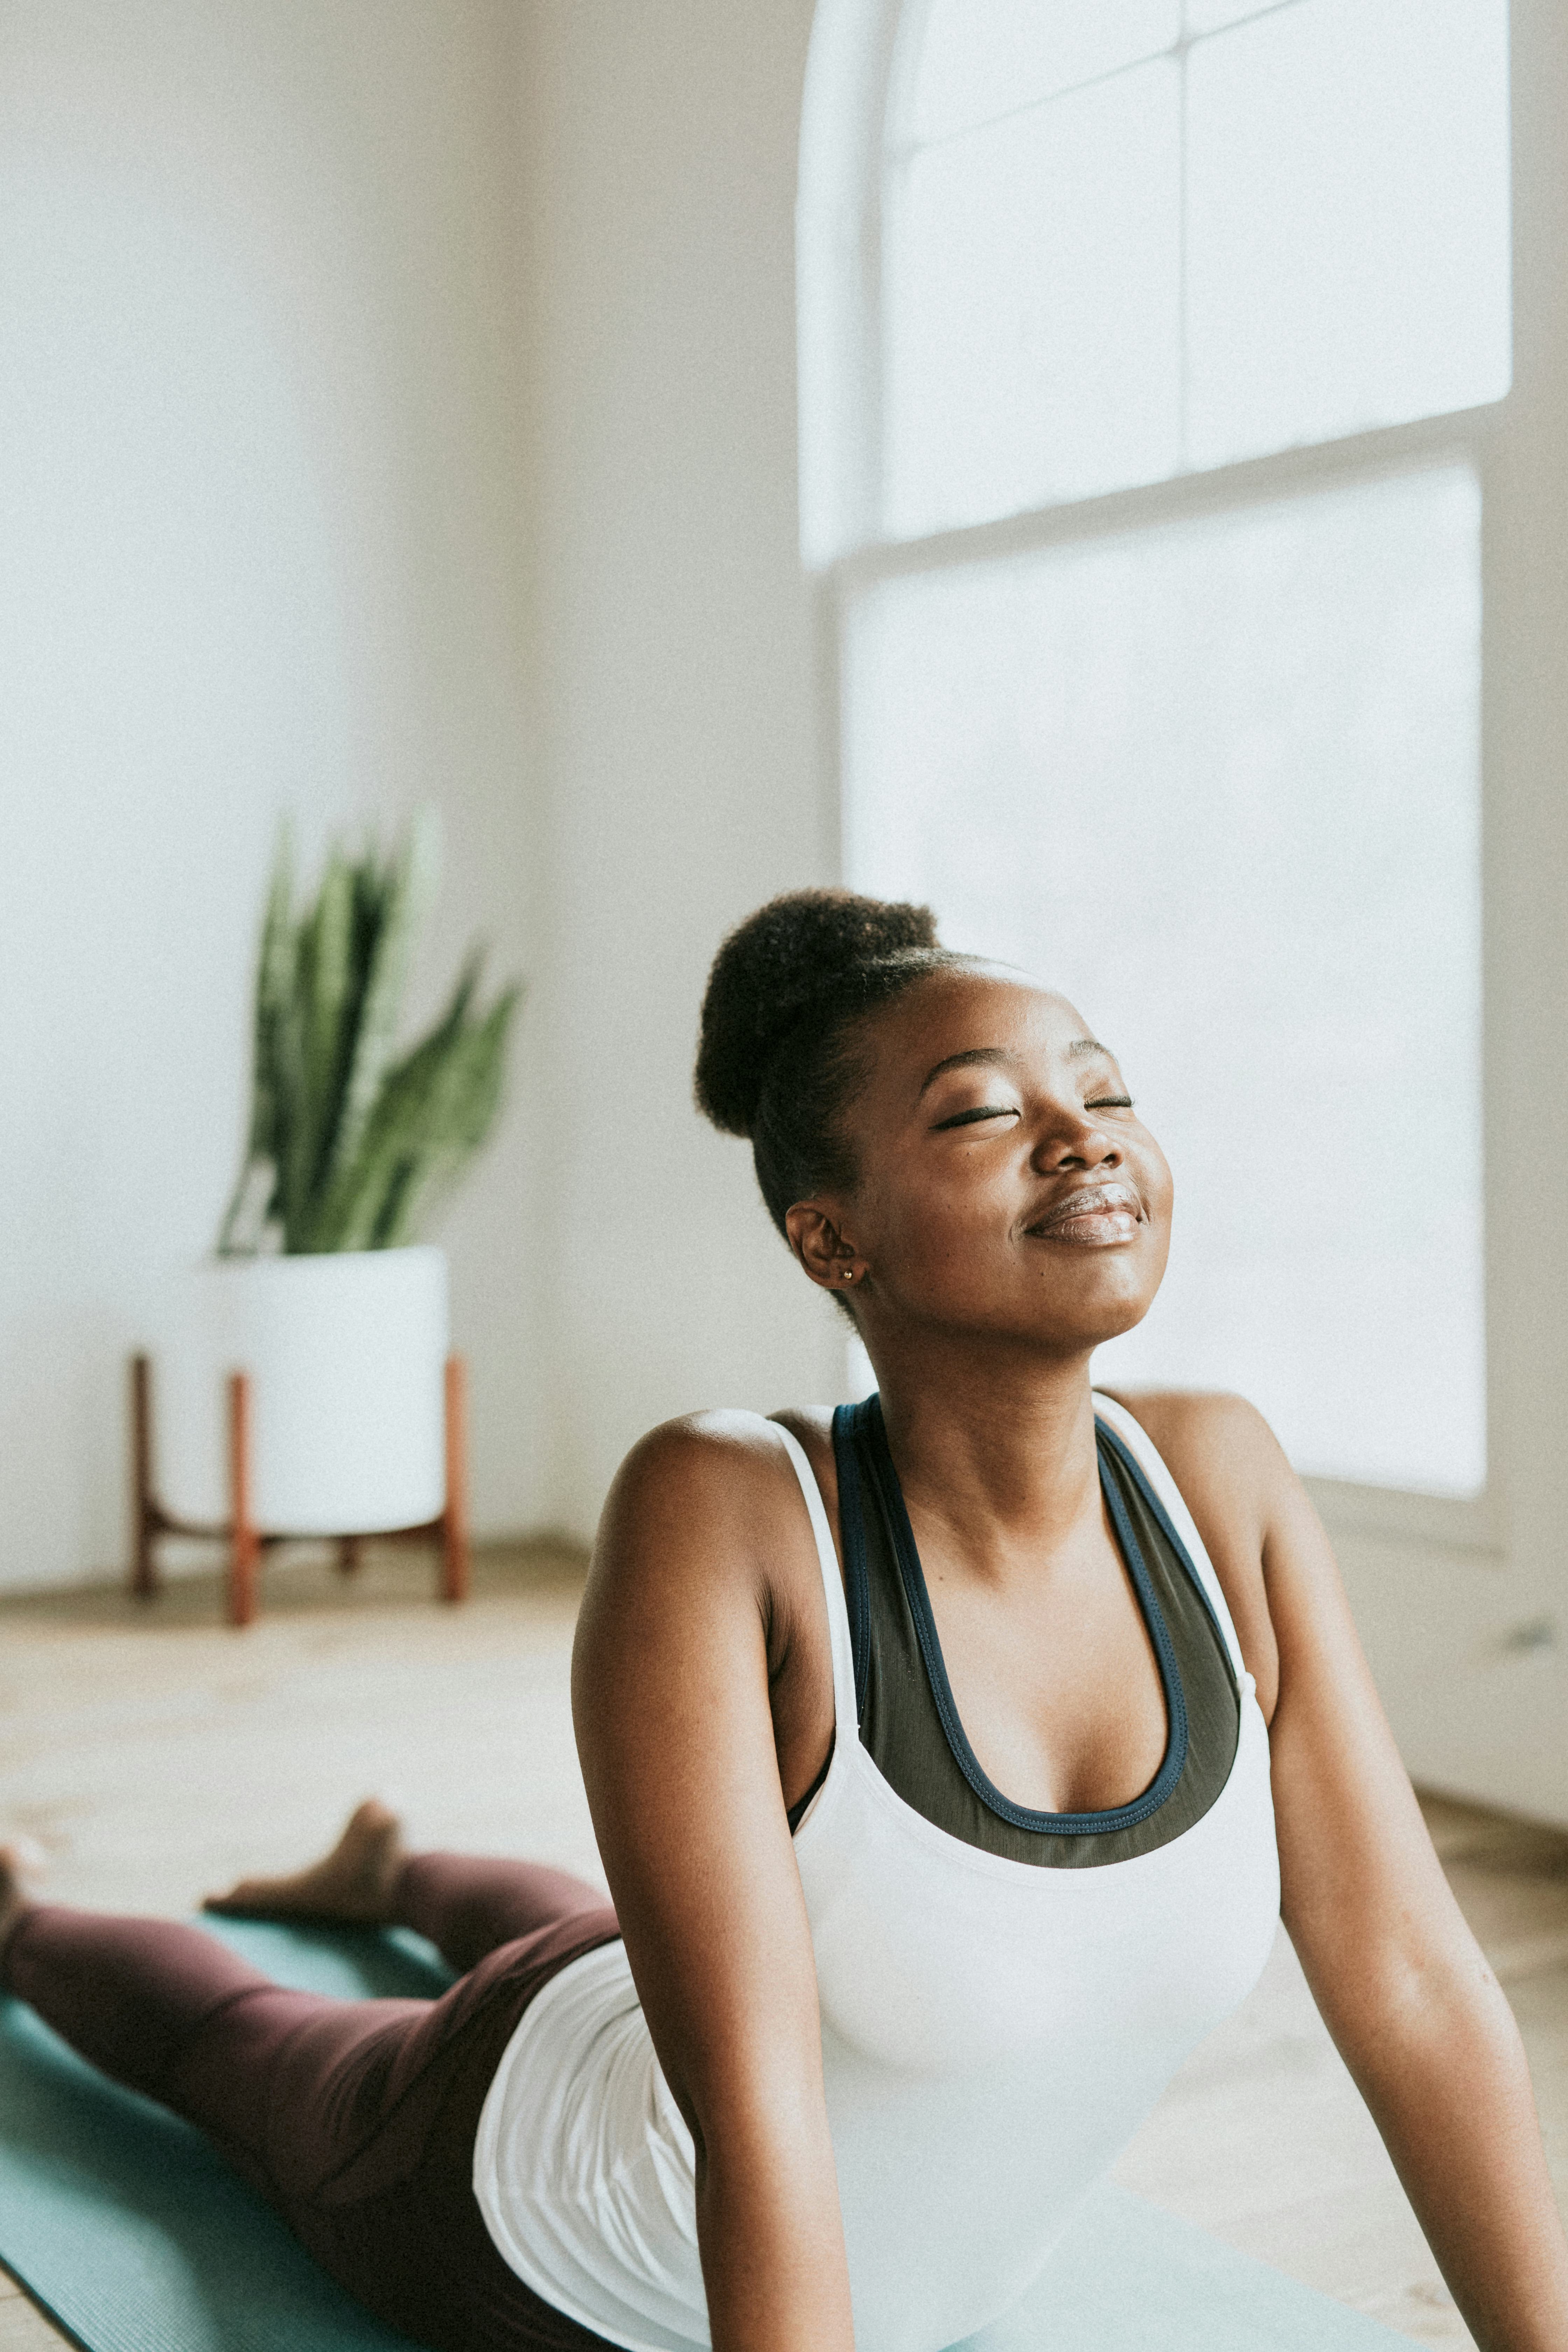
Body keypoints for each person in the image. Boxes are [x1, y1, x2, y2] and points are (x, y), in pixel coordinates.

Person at [3, 888, 1566, 2352]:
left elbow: (1416, 1986)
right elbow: (755, 2109)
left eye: (1103, 1090)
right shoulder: (725, 1506)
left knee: (630, 1940)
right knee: (249, 2044)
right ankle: (16, 1912)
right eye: (981, 1111)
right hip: (567, 2218)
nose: (1082, 1139)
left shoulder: (1216, 1478)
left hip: (692, 2046)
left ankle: (393, 1866)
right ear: (832, 1238)